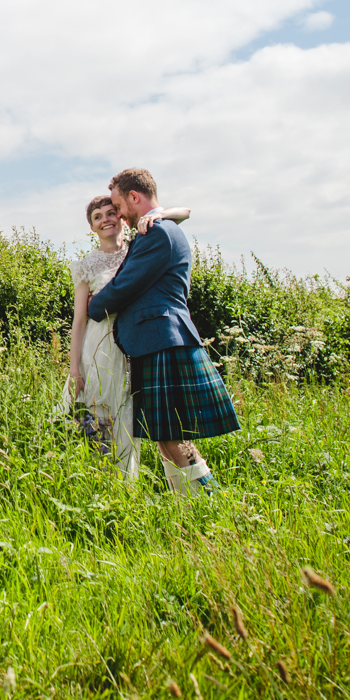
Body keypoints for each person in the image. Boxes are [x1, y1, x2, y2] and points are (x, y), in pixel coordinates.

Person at [86, 168, 240, 494]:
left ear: (134, 197)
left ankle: (206, 500)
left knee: (172, 437)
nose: (118, 214)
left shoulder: (159, 233)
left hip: (162, 339)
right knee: (166, 437)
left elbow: (127, 285)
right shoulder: (156, 228)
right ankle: (193, 500)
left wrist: (93, 306)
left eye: (118, 205)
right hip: (154, 341)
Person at [57, 193, 191, 480]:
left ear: (121, 217)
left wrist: (158, 215)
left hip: (134, 345)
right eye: (97, 217)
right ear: (91, 228)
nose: (105, 219)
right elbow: (79, 320)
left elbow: (185, 212)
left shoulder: (139, 247)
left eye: (110, 212)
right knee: (99, 417)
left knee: (129, 417)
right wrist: (74, 368)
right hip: (98, 347)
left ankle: (126, 483)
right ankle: (101, 481)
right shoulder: (86, 266)